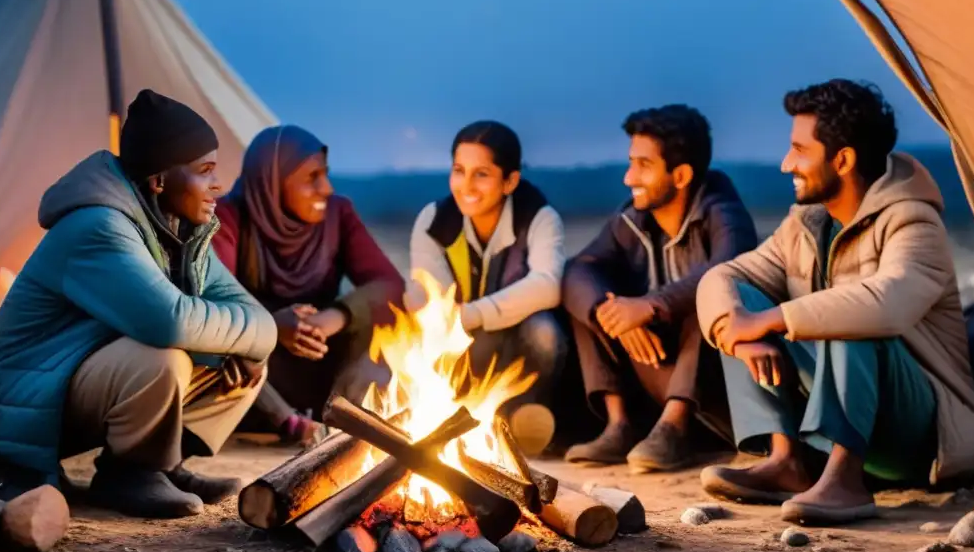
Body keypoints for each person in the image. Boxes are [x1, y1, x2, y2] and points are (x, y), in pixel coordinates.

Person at [0, 90, 278, 519]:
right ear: (159, 181)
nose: (217, 185)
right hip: (16, 403)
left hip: (69, 386)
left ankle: (164, 466)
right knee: (163, 358)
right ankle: (131, 472)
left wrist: (250, 342)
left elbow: (252, 315)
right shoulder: (98, 226)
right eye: (204, 171)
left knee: (247, 361)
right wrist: (246, 335)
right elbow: (169, 323)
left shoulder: (180, 230)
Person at [696, 79, 974, 525]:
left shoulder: (914, 222)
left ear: (843, 159)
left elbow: (887, 304)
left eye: (799, 150)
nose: (786, 163)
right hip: (845, 413)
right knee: (741, 300)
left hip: (920, 434)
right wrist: (738, 332)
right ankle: (786, 461)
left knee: (847, 315)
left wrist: (770, 319)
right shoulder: (806, 226)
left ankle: (846, 481)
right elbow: (723, 276)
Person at [562, 105, 757, 470]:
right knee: (594, 297)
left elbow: (732, 266)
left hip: (713, 390)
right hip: (655, 369)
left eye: (643, 165)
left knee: (714, 295)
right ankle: (619, 425)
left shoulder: (723, 214)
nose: (628, 177)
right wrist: (614, 316)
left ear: (681, 174)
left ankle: (674, 429)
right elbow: (579, 269)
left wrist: (652, 305)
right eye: (630, 162)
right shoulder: (631, 219)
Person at [213, 125, 405, 441]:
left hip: (321, 359)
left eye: (325, 175)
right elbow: (216, 303)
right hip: (256, 377)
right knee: (217, 336)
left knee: (385, 321)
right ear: (272, 184)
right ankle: (288, 424)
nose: (326, 188)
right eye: (311, 178)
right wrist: (272, 328)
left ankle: (349, 419)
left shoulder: (337, 215)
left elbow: (389, 285)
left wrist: (336, 316)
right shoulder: (229, 218)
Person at [409, 121, 567, 455]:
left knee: (545, 334)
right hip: (466, 343)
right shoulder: (434, 221)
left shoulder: (538, 217)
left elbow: (547, 285)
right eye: (458, 170)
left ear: (509, 180)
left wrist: (474, 313)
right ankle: (468, 420)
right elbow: (433, 301)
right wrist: (456, 319)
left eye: (481, 174)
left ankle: (525, 415)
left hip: (519, 338)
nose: (466, 185)